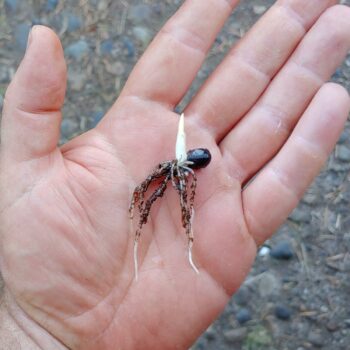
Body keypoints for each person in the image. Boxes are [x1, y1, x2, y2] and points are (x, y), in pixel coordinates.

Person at [0, 0, 349, 349]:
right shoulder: (174, 171)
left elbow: (188, 180)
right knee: (154, 192)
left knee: (165, 194)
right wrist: (32, 329)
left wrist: (32, 331)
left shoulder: (182, 173)